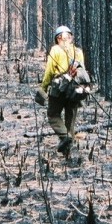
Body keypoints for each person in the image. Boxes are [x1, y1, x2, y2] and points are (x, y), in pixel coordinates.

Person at [36, 25, 87, 156]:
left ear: (58, 38)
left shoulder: (55, 50)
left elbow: (49, 71)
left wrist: (44, 86)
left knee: (53, 115)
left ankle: (65, 138)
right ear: (70, 37)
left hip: (58, 89)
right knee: (71, 118)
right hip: (74, 89)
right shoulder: (78, 51)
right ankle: (69, 150)